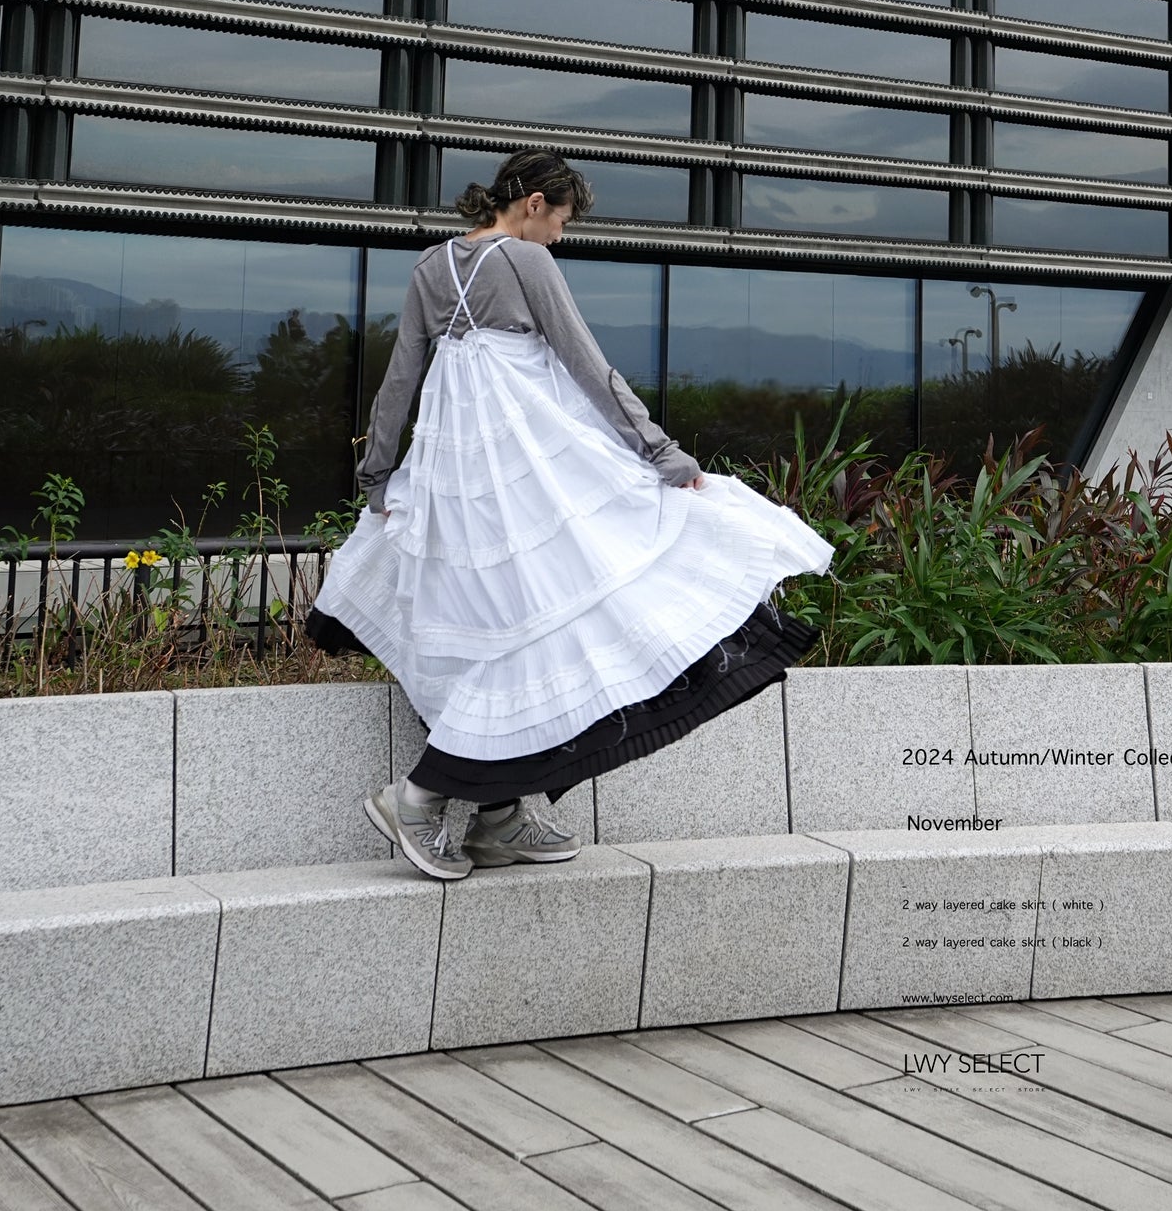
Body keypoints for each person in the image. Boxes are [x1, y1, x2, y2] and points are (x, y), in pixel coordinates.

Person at [307, 146, 832, 880]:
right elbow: (589, 366)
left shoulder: (432, 266)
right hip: (526, 482)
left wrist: (376, 476)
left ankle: (498, 817)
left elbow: (399, 381)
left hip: (459, 491)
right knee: (541, 629)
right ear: (531, 204)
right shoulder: (527, 264)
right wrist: (660, 452)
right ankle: (416, 801)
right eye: (560, 219)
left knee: (503, 630)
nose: (561, 235)